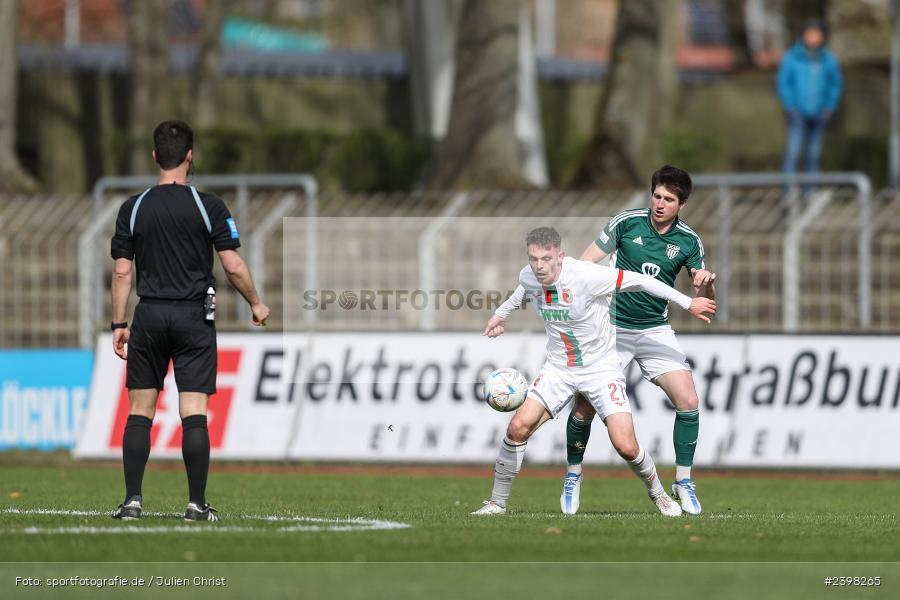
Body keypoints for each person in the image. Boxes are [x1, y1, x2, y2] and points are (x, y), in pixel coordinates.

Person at [497, 166, 715, 516]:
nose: (660, 203)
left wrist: (705, 285)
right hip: (611, 328)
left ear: (682, 204)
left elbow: (705, 296)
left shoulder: (689, 241)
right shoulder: (626, 223)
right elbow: (585, 263)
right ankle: (573, 474)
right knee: (584, 407)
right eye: (656, 196)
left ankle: (684, 481)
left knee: (688, 400)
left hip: (654, 328)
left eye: (668, 199)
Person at [109, 120, 270, 522]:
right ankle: (196, 504)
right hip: (193, 316)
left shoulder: (134, 208)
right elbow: (232, 265)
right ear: (190, 156)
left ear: (154, 156)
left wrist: (118, 323)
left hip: (149, 314)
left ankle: (132, 501)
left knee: (140, 410)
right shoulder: (208, 206)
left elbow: (122, 271)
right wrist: (255, 303)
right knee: (193, 411)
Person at [776, 20, 843, 179]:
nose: (813, 38)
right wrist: (790, 105)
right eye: (810, 34)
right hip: (797, 114)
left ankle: (810, 190)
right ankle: (789, 189)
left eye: (817, 34)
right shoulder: (792, 57)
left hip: (820, 114)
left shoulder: (828, 59)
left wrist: (829, 106)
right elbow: (783, 82)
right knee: (793, 153)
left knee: (814, 155)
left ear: (822, 37)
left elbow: (835, 84)